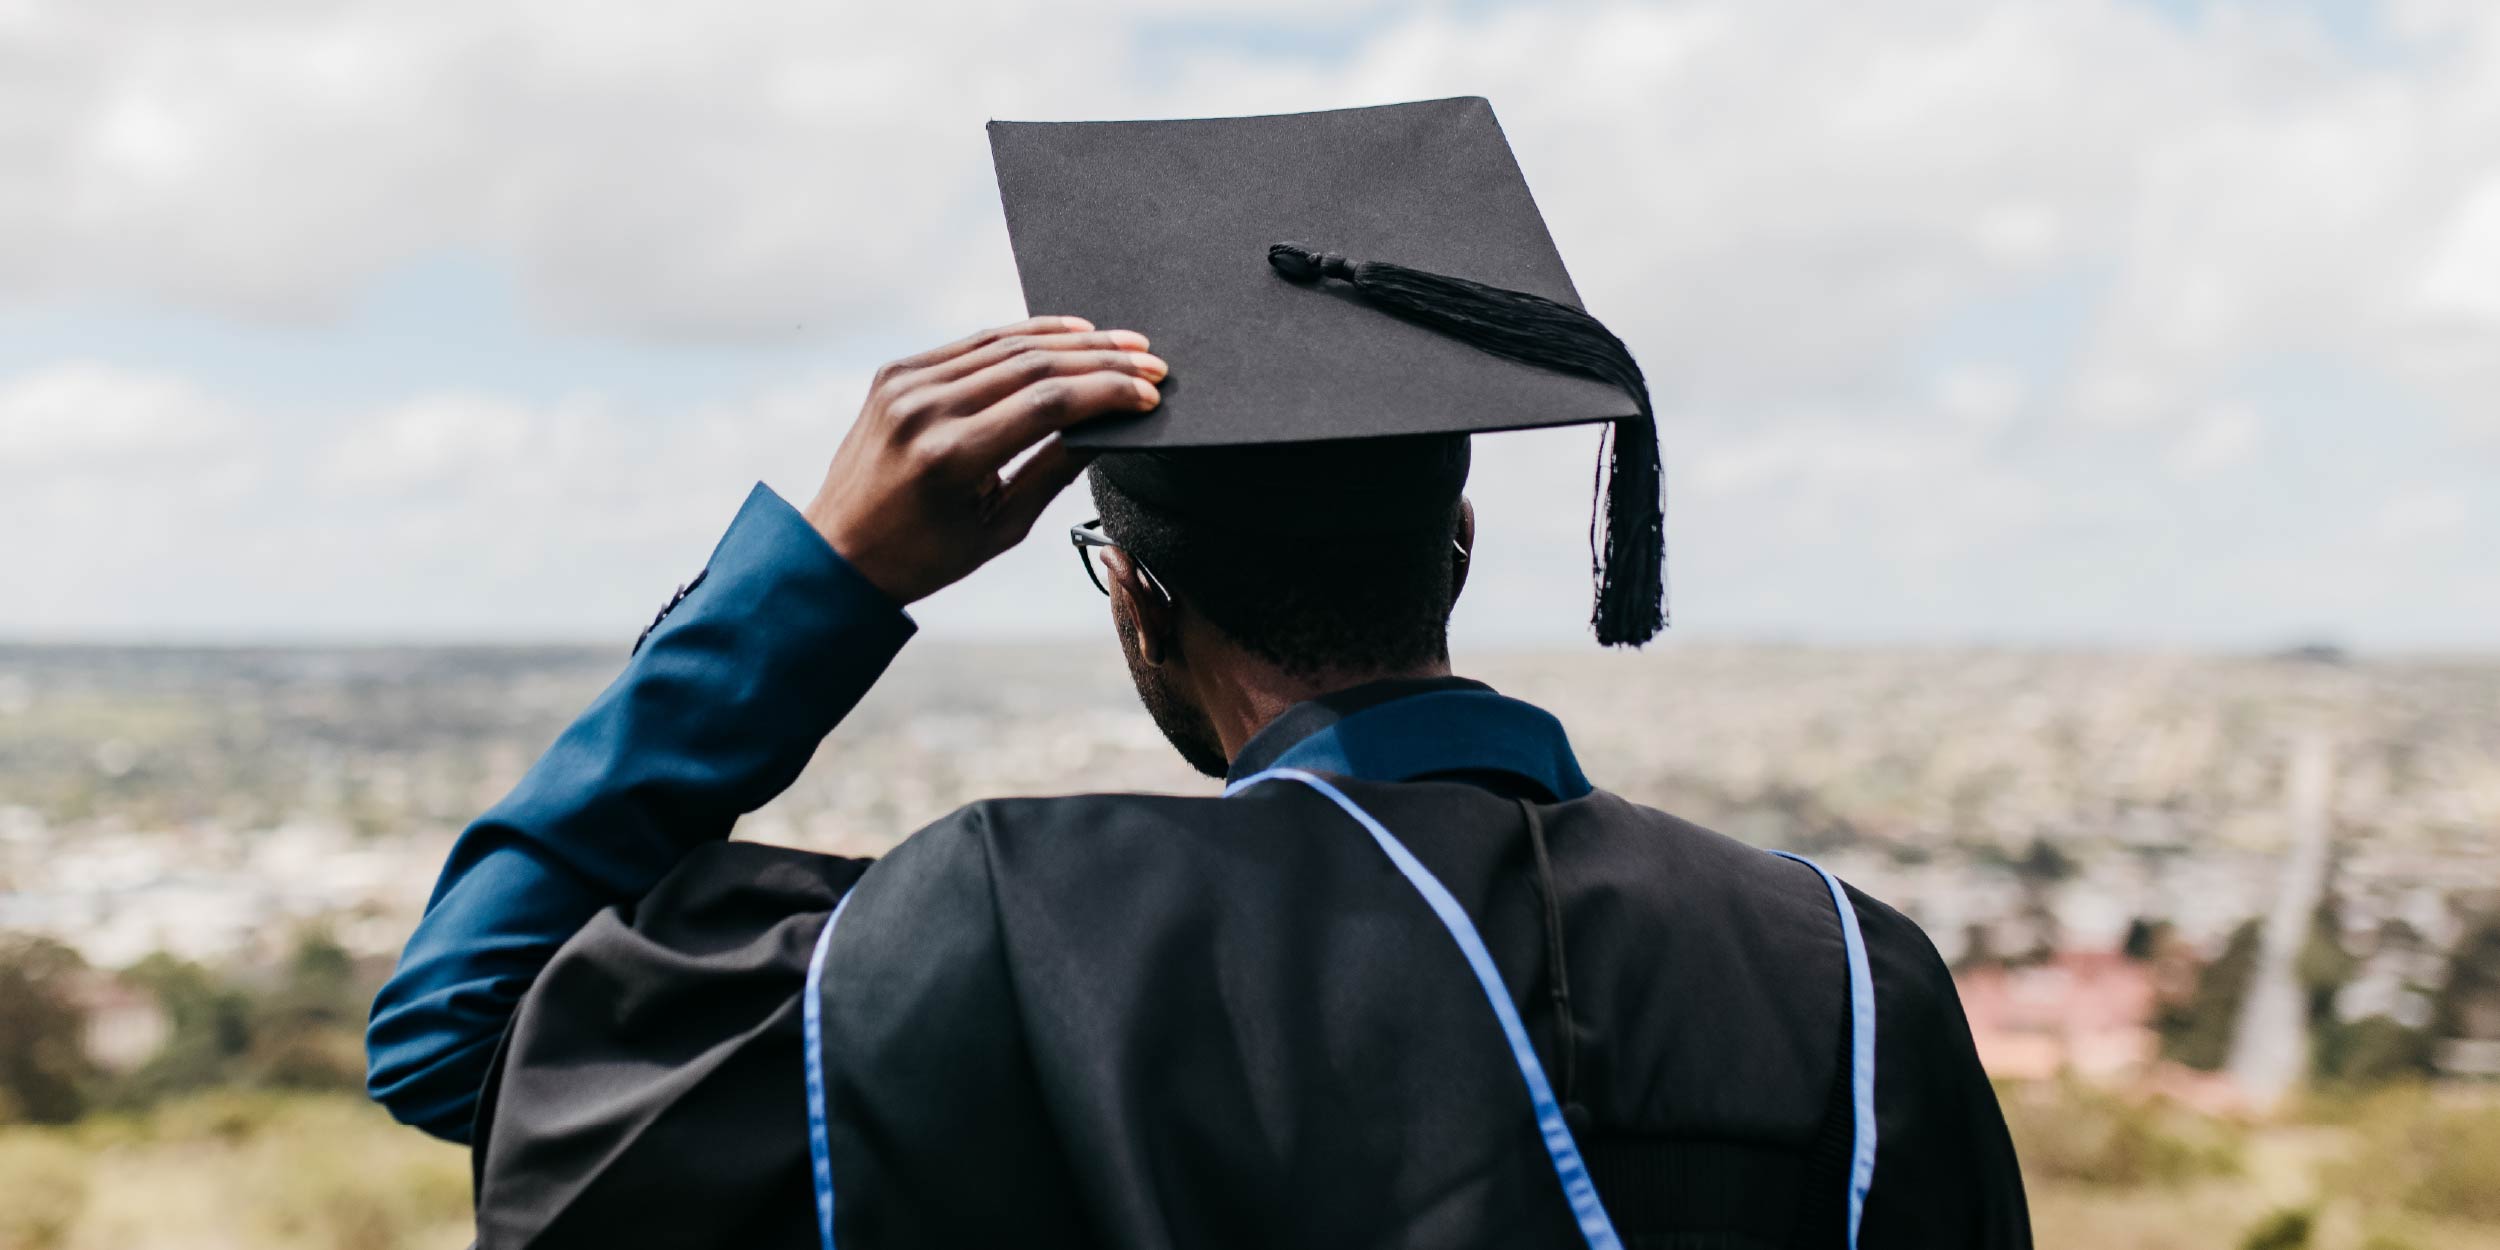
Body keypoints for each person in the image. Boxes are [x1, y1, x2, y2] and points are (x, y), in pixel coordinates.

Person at [366, 98, 2031, 1249]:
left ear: (1139, 604)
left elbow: (465, 1034)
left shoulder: (996, 940)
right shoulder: (1842, 974)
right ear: (1455, 542)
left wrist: (828, 574)